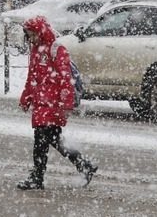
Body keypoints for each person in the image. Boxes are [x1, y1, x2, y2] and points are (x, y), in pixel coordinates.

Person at [17, 15, 98, 190]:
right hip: (41, 103)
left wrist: (66, 104)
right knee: (54, 139)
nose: (31, 39)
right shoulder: (36, 51)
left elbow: (65, 79)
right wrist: (26, 97)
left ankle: (37, 177)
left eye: (32, 35)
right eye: (28, 36)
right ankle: (84, 165)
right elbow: (32, 78)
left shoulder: (56, 49)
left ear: (40, 32)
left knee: (41, 141)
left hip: (52, 104)